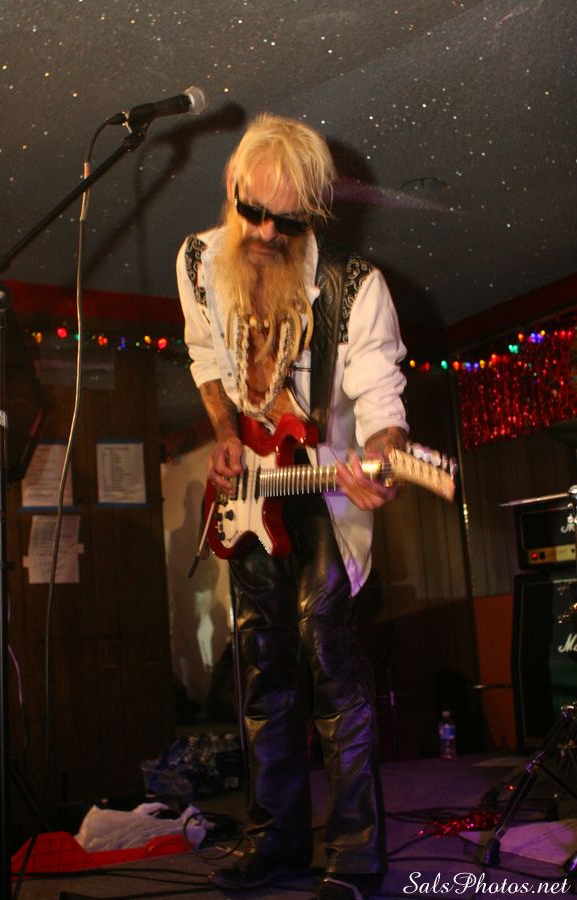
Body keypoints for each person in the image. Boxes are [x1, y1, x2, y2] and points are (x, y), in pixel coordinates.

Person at [176, 113, 408, 900]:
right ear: (231, 187)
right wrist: (223, 433)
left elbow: (380, 394)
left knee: (332, 667)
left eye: (290, 220)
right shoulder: (197, 261)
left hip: (325, 492)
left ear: (313, 213)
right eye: (253, 212)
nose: (268, 233)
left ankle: (356, 855)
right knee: (261, 670)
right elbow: (204, 355)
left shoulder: (353, 285)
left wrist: (382, 451)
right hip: (250, 495)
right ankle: (273, 840)